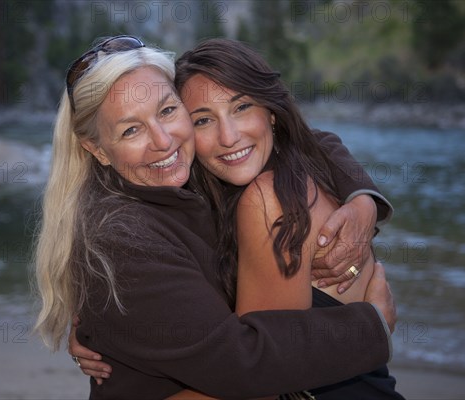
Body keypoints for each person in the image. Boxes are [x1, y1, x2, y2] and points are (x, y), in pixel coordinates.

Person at [35, 35, 395, 400]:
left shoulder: (195, 178)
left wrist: (364, 199)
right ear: (97, 149)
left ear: (272, 112)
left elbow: (316, 140)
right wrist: (372, 327)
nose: (162, 141)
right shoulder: (124, 237)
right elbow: (243, 365)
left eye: (167, 111)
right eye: (131, 130)